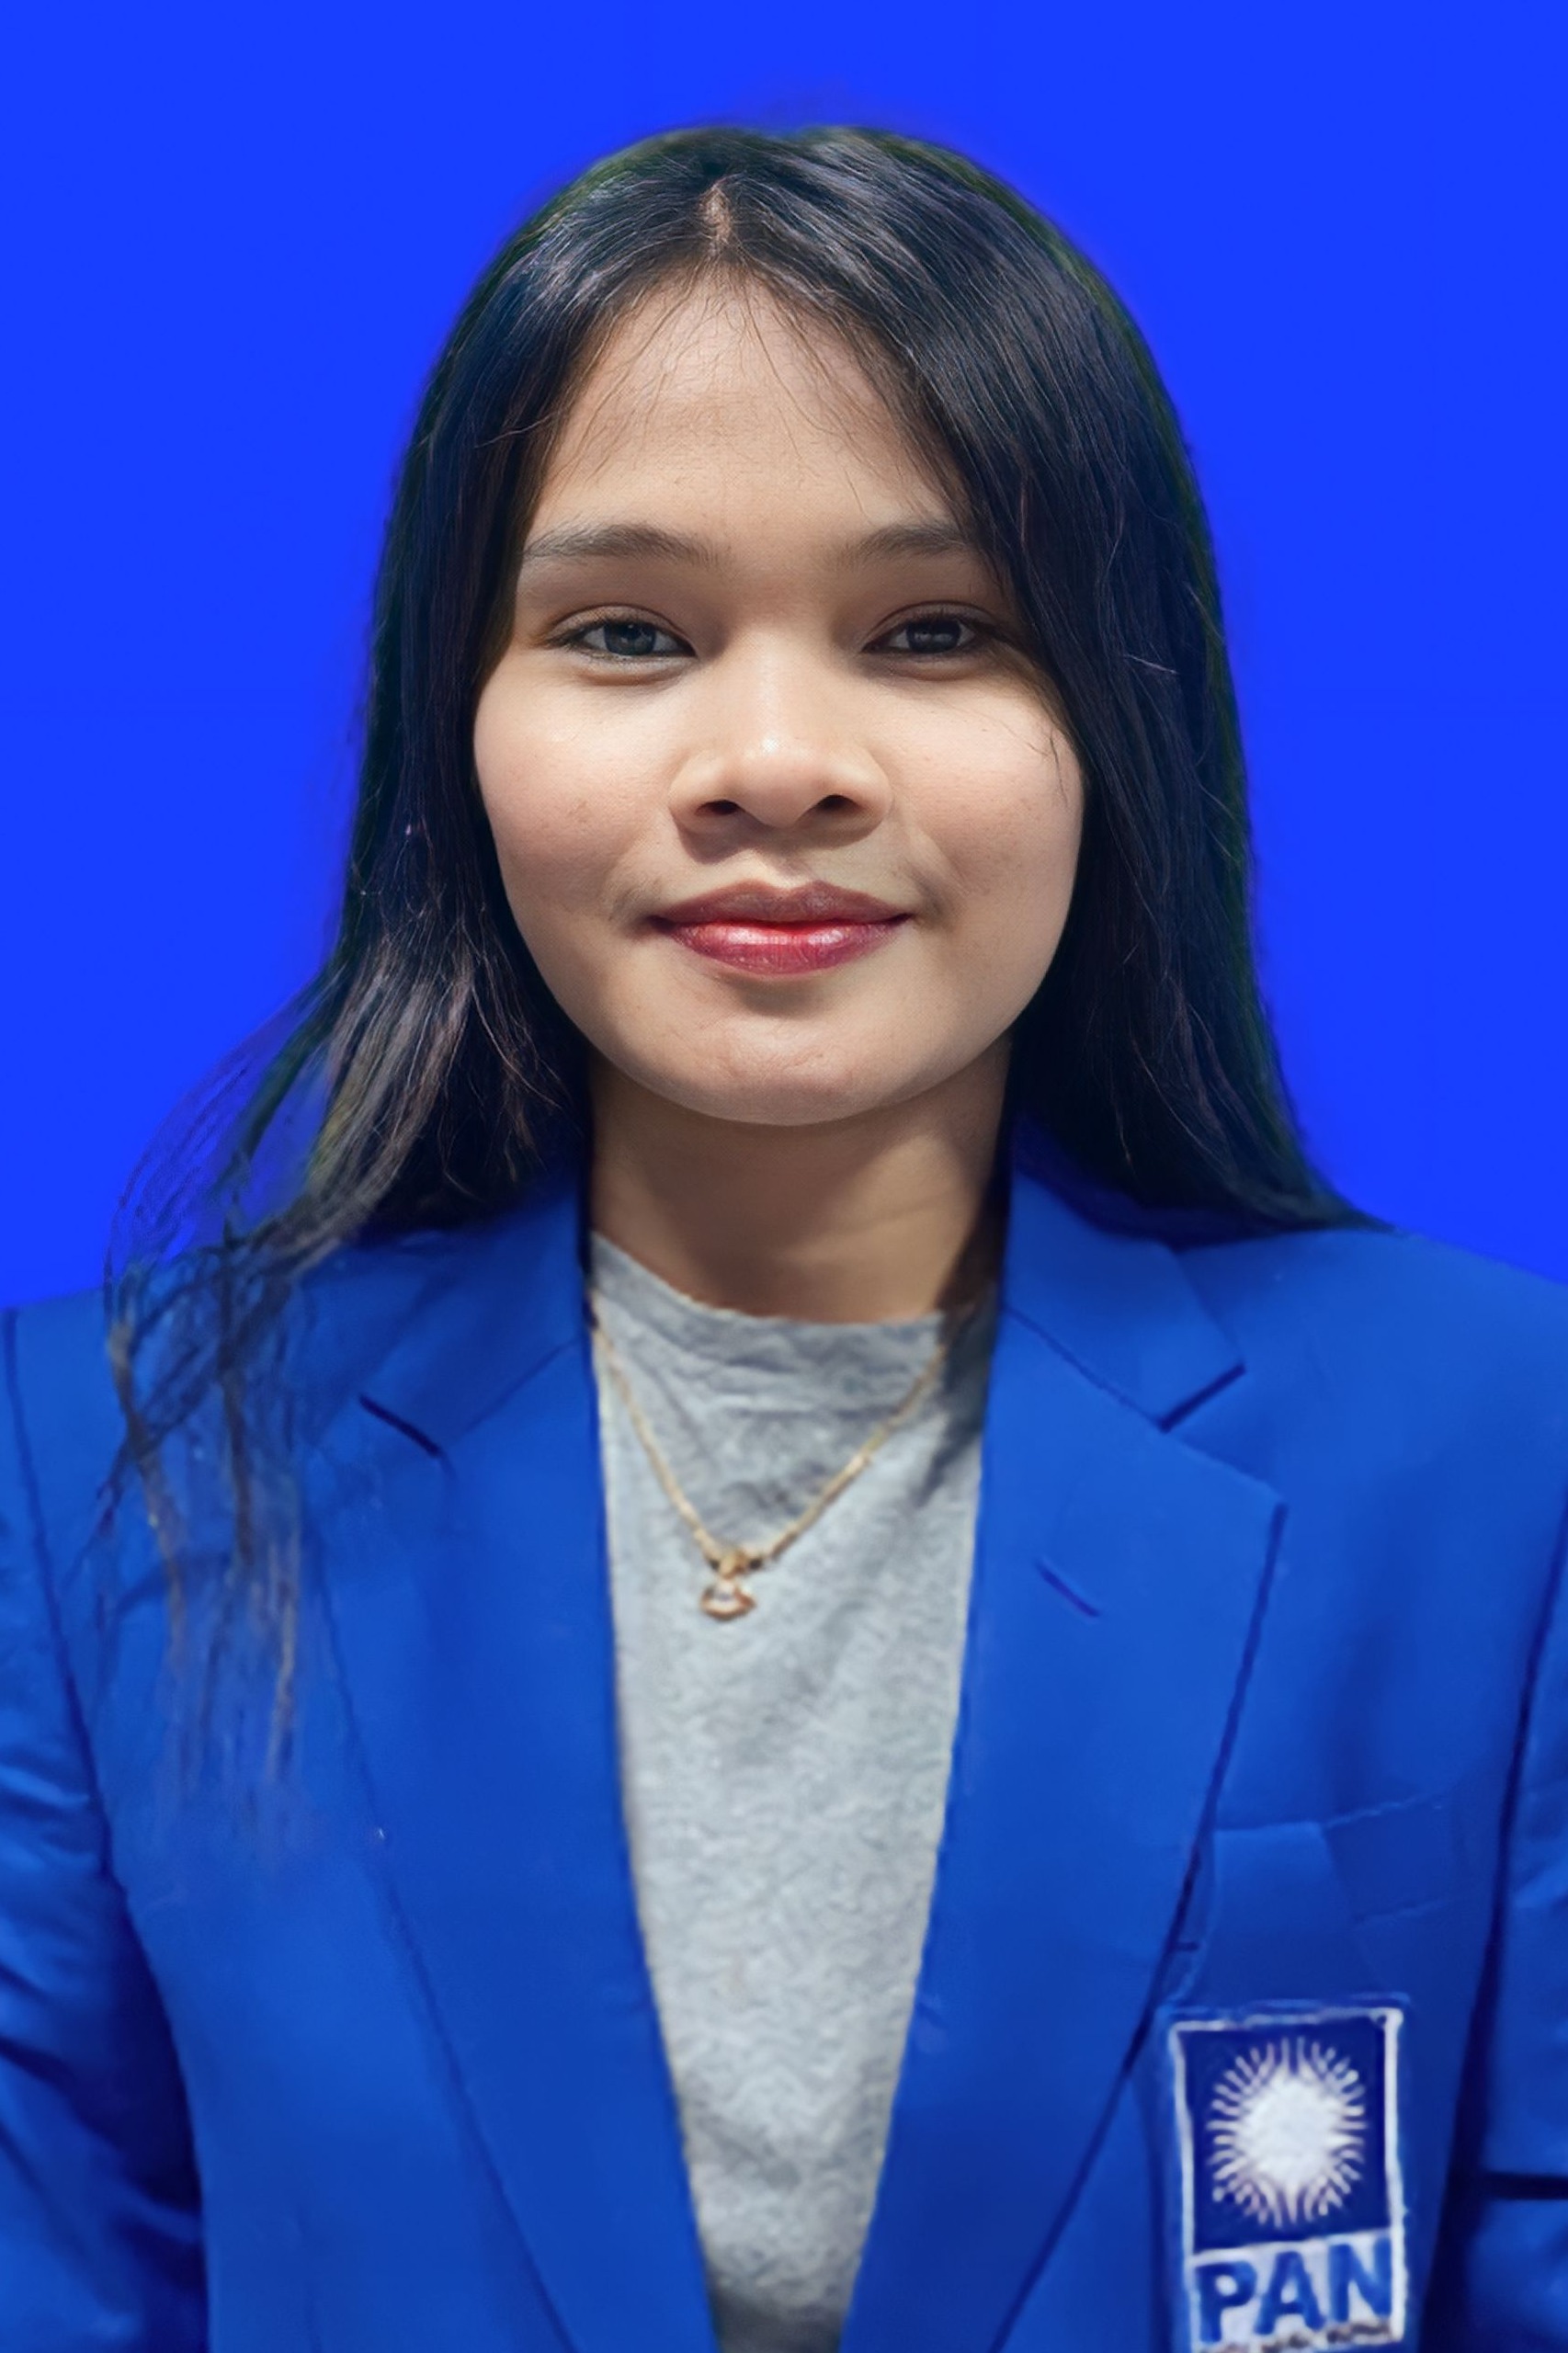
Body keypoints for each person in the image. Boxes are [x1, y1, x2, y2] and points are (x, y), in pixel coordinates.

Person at [0, 124, 1562, 2353]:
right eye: (625, 631)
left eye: (933, 631)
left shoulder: (1498, 1451)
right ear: (459, 723)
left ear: (1116, 722)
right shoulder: (92, 1468)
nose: (771, 760)